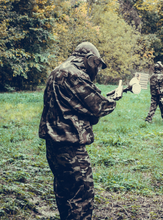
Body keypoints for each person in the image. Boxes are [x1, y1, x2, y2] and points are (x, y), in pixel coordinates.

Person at [39, 42, 119, 220]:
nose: (97, 69)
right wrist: (113, 100)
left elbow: (73, 108)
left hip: (53, 145)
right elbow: (98, 107)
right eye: (97, 64)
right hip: (70, 147)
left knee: (64, 193)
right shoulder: (74, 74)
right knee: (82, 196)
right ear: (89, 60)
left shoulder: (57, 71)